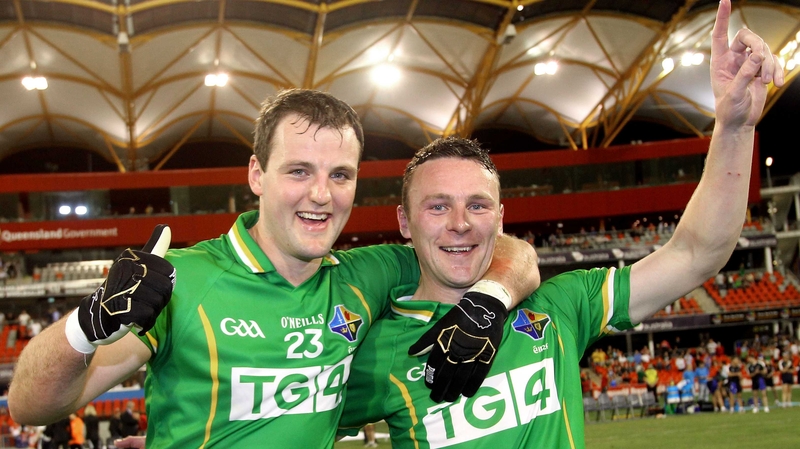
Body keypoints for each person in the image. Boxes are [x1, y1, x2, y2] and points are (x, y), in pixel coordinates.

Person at [338, 4, 783, 444]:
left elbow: (696, 255)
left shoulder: (561, 305)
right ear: (404, 223)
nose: (460, 224)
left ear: (500, 218)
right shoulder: (380, 349)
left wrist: (735, 128)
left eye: (477, 205)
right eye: (437, 207)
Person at [7, 89, 538, 448]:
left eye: (340, 175)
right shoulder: (183, 280)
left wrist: (490, 298)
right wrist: (89, 323)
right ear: (257, 174)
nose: (320, 195)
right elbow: (29, 407)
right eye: (299, 171)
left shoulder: (369, 274)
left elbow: (502, 248)